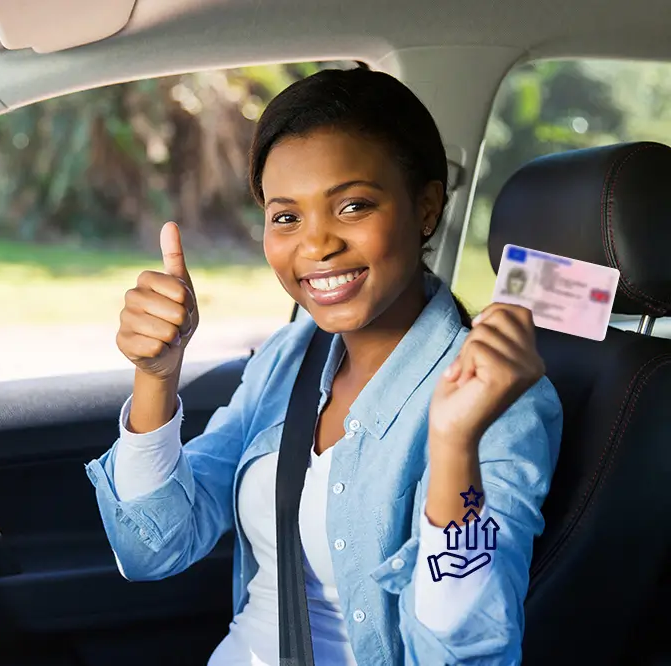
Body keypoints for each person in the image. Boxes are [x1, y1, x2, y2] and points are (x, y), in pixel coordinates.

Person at [86, 67, 562, 665]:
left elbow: (464, 653)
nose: (316, 246)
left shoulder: (500, 401)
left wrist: (454, 443)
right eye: (287, 217)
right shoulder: (290, 356)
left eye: (353, 206)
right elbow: (154, 546)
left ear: (426, 207)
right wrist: (157, 374)